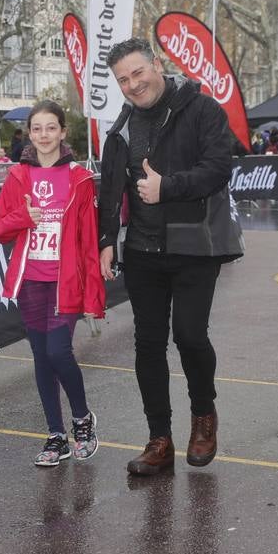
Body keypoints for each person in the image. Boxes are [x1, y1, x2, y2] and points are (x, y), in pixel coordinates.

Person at [96, 38, 243, 475]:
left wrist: (168, 187)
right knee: (148, 344)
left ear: (157, 65)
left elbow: (219, 168)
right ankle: (159, 439)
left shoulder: (202, 110)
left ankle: (204, 416)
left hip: (195, 244)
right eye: (123, 79)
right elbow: (109, 190)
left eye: (138, 73)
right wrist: (107, 240)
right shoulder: (121, 126)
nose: (133, 84)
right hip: (142, 250)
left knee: (191, 337)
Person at [0, 101, 104, 466]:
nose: (44, 135)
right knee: (41, 357)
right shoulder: (18, 176)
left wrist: (93, 295)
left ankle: (82, 420)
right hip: (31, 283)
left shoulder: (79, 179)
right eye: (37, 129)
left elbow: (87, 239)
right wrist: (24, 216)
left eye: (51, 128)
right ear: (30, 133)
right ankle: (56, 436)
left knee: (58, 352)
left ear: (63, 132)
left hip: (64, 281)